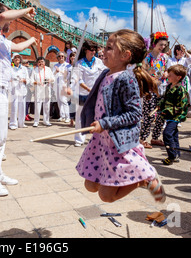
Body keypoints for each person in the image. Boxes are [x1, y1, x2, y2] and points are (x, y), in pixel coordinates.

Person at [76, 29, 165, 203]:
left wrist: (105, 122)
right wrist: (74, 96)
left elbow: (134, 113)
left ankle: (143, 179)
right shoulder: (104, 74)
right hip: (101, 141)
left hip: (117, 143)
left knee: (106, 196)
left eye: (109, 47)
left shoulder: (126, 79)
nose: (103, 51)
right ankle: (140, 178)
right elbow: (97, 99)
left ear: (125, 55)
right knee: (90, 186)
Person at [0, 3, 36, 197]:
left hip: (2, 90)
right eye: (9, 17)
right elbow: (2, 19)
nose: (10, 22)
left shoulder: (3, 40)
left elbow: (18, 46)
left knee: (2, 136)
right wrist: (26, 11)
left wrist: (33, 40)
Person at [71, 40, 106, 147]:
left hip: (97, 94)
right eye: (91, 50)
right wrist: (88, 89)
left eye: (95, 50)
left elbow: (104, 74)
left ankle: (97, 139)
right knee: (81, 117)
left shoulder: (100, 62)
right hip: (83, 94)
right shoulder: (79, 63)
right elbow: (78, 79)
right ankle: (79, 139)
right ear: (86, 50)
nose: (93, 52)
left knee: (98, 116)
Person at [140, 32, 171, 149]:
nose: (162, 47)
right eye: (160, 44)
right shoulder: (147, 58)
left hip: (162, 88)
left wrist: (166, 73)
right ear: (154, 44)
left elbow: (167, 70)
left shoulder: (164, 57)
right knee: (149, 115)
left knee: (161, 114)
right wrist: (150, 74)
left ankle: (155, 137)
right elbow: (142, 73)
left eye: (164, 45)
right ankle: (143, 138)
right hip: (150, 89)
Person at [158, 65, 189, 165]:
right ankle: (176, 154)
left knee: (167, 134)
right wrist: (160, 105)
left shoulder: (181, 90)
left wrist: (168, 110)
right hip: (169, 115)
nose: (168, 76)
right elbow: (165, 99)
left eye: (170, 75)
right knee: (174, 135)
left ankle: (171, 156)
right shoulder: (169, 86)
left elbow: (182, 106)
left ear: (178, 77)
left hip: (176, 116)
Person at [31, 57, 54, 127]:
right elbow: (31, 80)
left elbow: (53, 78)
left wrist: (50, 80)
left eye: (42, 62)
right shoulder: (35, 70)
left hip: (46, 89)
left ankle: (46, 121)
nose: (41, 63)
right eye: (39, 62)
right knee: (38, 106)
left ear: (44, 62)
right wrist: (36, 82)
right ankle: (36, 121)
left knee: (47, 106)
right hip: (39, 90)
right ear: (37, 63)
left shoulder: (48, 69)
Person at [9, 54, 29, 130]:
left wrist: (24, 80)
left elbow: (28, 79)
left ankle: (21, 123)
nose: (17, 59)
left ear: (20, 59)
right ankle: (13, 124)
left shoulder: (24, 69)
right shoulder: (10, 69)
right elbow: (8, 79)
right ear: (13, 60)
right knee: (14, 107)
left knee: (22, 107)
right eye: (15, 58)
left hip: (22, 90)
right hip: (14, 90)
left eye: (18, 58)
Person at [52, 51, 71, 123]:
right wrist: (56, 72)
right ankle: (62, 116)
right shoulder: (55, 65)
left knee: (64, 101)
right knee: (59, 101)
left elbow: (67, 75)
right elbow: (52, 74)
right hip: (57, 85)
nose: (61, 57)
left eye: (62, 56)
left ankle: (67, 117)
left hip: (64, 85)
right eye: (59, 56)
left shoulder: (67, 65)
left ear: (65, 57)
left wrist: (59, 71)